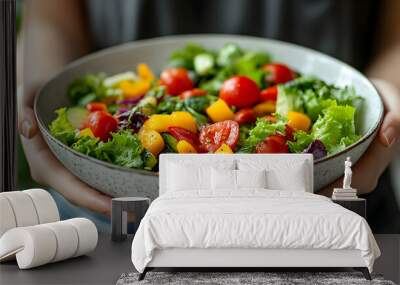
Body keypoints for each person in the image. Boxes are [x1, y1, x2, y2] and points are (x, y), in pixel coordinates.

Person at [20, 0, 400, 232]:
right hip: (106, 220)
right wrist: (45, 85)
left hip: (330, 216)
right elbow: (49, 18)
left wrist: (384, 92)